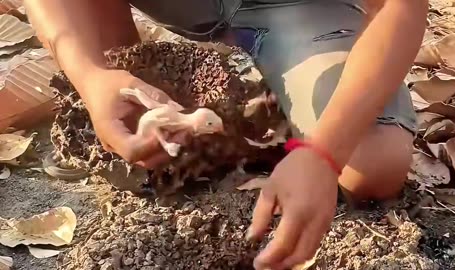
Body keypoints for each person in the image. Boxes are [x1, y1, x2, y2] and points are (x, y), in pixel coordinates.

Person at [24, 0, 428, 269]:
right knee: (131, 134)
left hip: (298, 5)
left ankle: (260, 98)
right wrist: (92, 76)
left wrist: (323, 152)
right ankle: (136, 71)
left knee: (372, 163)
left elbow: (400, 6)